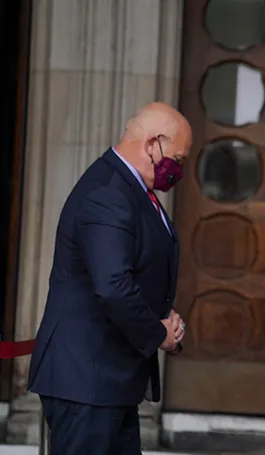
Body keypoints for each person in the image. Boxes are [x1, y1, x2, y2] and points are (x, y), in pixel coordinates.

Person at [28, 102, 191, 454]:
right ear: (153, 144)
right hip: (86, 382)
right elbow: (113, 286)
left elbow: (136, 269)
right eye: (177, 159)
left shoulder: (132, 189)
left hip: (109, 383)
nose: (178, 170)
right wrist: (158, 333)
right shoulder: (108, 192)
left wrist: (165, 320)